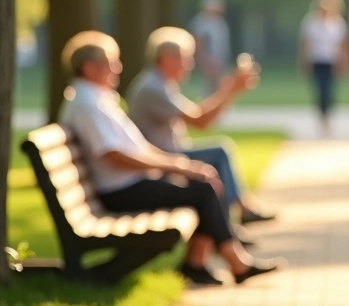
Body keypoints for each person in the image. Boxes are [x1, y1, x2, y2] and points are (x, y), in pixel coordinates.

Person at [58, 31, 283, 285]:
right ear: (89, 68)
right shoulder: (88, 103)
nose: (118, 68)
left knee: (203, 182)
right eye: (111, 62)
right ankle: (231, 262)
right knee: (203, 189)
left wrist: (182, 165)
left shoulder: (95, 99)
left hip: (125, 185)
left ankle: (204, 262)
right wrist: (179, 165)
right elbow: (114, 154)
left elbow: (137, 147)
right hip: (120, 191)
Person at [127, 26, 276, 226]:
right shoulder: (153, 88)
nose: (190, 64)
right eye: (185, 58)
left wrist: (228, 90)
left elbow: (197, 114)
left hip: (167, 156)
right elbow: (200, 121)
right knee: (218, 155)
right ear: (167, 58)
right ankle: (234, 223)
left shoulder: (159, 83)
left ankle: (234, 222)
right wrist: (230, 90)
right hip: (162, 161)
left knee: (217, 155)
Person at [298, 0, 349, 134]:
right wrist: (304, 62)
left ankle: (328, 115)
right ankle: (322, 116)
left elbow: (341, 45)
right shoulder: (311, 22)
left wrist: (343, 62)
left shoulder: (338, 23)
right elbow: (305, 44)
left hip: (332, 61)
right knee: (320, 89)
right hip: (316, 60)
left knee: (330, 89)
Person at [189, 0, 231, 98]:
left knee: (219, 90)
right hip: (209, 62)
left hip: (220, 61)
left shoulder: (220, 22)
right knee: (209, 91)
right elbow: (198, 45)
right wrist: (204, 62)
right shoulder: (201, 22)